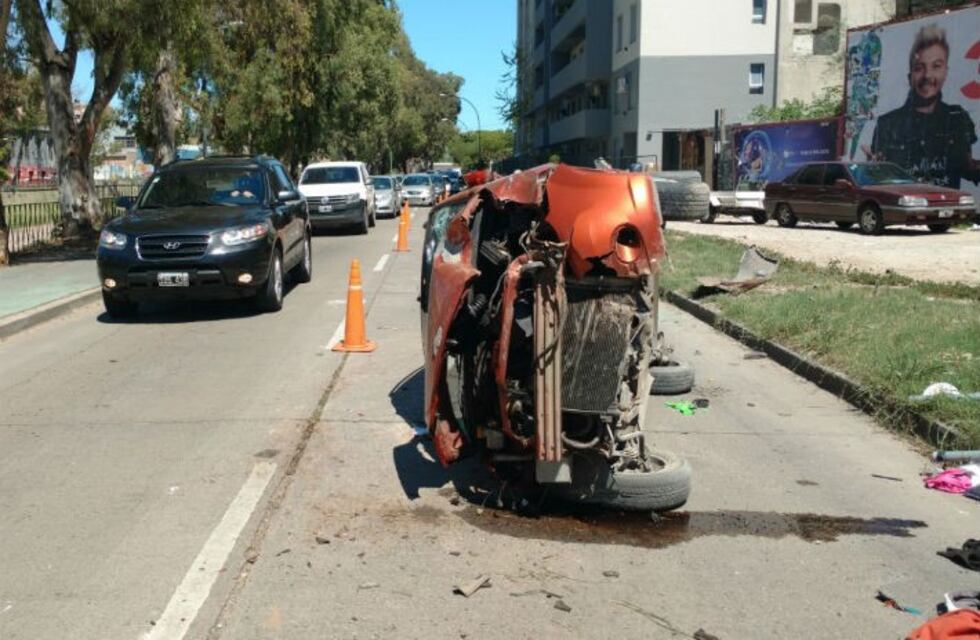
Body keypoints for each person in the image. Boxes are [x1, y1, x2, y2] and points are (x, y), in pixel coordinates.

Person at [870, 24, 980, 189]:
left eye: (936, 66)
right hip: (907, 206)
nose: (927, 75)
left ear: (945, 72)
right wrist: (873, 169)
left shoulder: (958, 117)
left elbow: (966, 168)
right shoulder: (887, 124)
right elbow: (877, 177)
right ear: (910, 77)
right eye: (919, 68)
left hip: (945, 207)